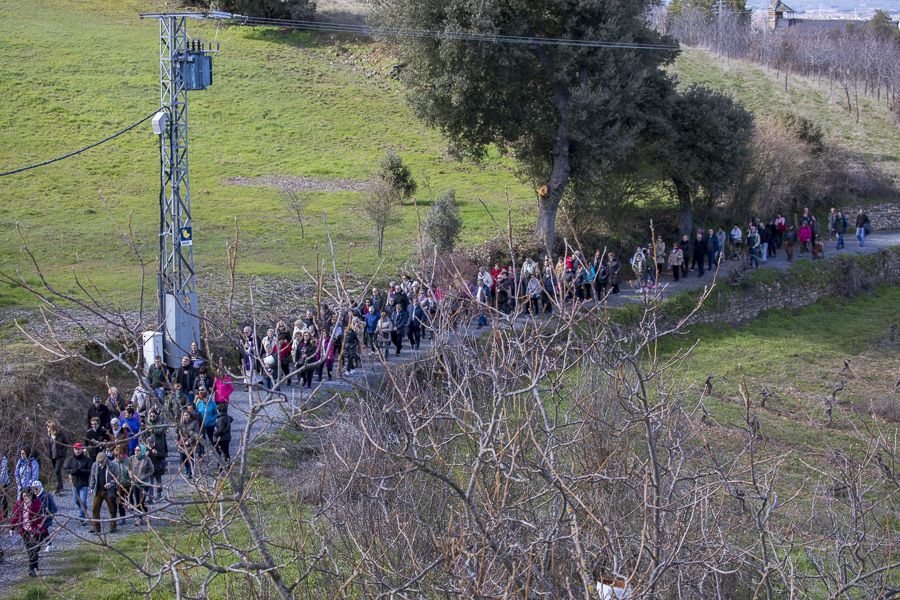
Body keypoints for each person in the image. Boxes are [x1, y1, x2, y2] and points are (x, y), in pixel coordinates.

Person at [9, 486, 48, 576]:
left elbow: (40, 516)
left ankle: (34, 565)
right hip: (24, 530)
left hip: (36, 530)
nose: (26, 498)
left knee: (35, 549)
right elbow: (15, 516)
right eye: (24, 496)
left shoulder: (36, 503)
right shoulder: (19, 504)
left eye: (28, 496)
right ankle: (31, 569)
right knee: (30, 550)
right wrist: (11, 528)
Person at [142, 408, 168, 502]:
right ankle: (150, 498)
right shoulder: (146, 448)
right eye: (151, 416)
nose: (152, 417)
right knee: (150, 482)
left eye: (154, 415)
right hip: (150, 468)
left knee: (158, 482)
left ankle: (159, 495)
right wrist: (145, 454)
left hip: (158, 466)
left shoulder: (158, 446)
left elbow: (163, 456)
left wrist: (157, 454)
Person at [89, 451, 119, 534]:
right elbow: (92, 476)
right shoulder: (95, 465)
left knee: (112, 509)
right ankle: (96, 527)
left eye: (101, 461)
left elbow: (118, 477)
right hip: (98, 491)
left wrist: (111, 483)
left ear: (106, 459)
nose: (100, 463)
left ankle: (113, 526)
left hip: (108, 492)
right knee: (95, 509)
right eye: (99, 462)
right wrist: (91, 487)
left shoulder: (113, 466)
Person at [64, 443, 92, 526]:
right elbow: (66, 468)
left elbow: (90, 470)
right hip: (74, 483)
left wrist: (81, 471)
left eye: (79, 449)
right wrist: (74, 471)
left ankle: (82, 517)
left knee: (83, 500)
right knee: (76, 500)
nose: (77, 450)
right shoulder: (70, 459)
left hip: (84, 483)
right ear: (73, 449)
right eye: (76, 449)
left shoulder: (87, 459)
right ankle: (83, 509)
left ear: (82, 449)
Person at [127, 445, 153, 526]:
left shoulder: (147, 459)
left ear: (142, 451)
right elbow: (128, 468)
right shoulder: (132, 458)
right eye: (135, 449)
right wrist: (131, 476)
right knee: (137, 501)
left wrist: (144, 476)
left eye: (138, 450)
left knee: (142, 501)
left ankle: (147, 515)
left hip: (144, 484)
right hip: (134, 483)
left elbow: (151, 470)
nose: (136, 451)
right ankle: (139, 518)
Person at [30, 481, 57, 553]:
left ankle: (37, 548)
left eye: (36, 488)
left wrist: (49, 514)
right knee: (43, 532)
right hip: (37, 519)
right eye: (33, 488)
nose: (35, 490)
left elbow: (54, 508)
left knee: (41, 532)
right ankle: (48, 544)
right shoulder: (33, 497)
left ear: (40, 487)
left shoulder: (47, 496)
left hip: (46, 518)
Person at [176, 409, 202, 480]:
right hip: (182, 444)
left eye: (187, 415)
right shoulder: (182, 423)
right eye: (184, 415)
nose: (185, 417)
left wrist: (189, 441)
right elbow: (178, 432)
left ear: (190, 416)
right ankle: (187, 469)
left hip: (191, 444)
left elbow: (196, 433)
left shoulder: (194, 423)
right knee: (183, 459)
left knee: (190, 458)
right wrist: (177, 441)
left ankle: (190, 473)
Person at [44, 420, 68, 494]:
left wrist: (63, 452)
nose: (47, 427)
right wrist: (47, 452)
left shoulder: (60, 434)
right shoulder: (48, 435)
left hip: (60, 456)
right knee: (57, 471)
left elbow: (66, 443)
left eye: (48, 426)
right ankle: (61, 485)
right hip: (52, 456)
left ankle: (57, 488)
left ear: (52, 427)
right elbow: (46, 444)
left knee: (57, 470)